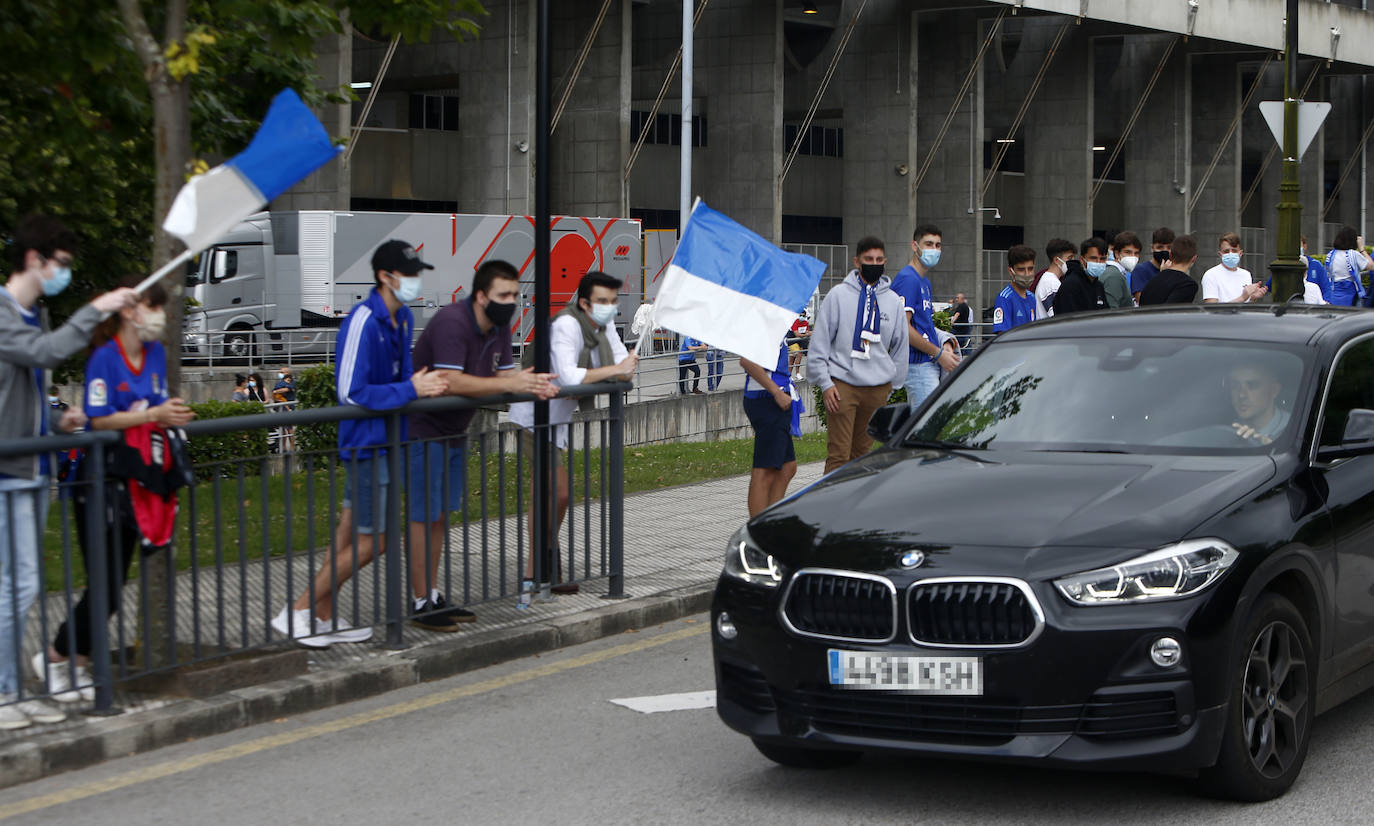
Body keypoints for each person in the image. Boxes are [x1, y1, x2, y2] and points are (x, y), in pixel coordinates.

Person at [272, 239, 447, 647]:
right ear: (385, 277)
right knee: (375, 543)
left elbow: (402, 380)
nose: (415, 281)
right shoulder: (364, 320)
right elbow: (350, 392)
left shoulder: (401, 317)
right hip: (366, 445)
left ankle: (323, 613)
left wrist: (418, 387)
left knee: (350, 535)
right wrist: (412, 388)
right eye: (409, 274)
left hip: (385, 442)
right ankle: (297, 610)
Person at [1, 215, 137, 727]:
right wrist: (94, 310)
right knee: (14, 587)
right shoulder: (6, 314)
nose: (63, 273)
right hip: (8, 470)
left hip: (31, 466)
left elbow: (21, 391)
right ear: (36, 260)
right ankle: (4, 693)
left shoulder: (31, 313)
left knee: (24, 586)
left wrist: (59, 419)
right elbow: (45, 353)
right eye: (61, 264)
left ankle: (13, 689)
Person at [37, 276, 194, 705]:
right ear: (129, 310)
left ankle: (69, 658)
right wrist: (152, 415)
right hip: (100, 480)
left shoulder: (156, 353)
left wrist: (168, 415)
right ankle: (58, 658)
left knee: (114, 583)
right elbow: (98, 419)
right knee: (103, 584)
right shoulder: (104, 358)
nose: (160, 316)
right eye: (154, 306)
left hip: (137, 479)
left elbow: (153, 407)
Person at [511, 270, 634, 603]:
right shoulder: (566, 325)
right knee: (558, 494)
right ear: (584, 303)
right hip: (535, 417)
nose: (609, 308)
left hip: (556, 420)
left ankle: (544, 570)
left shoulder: (602, 328)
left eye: (613, 301)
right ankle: (538, 569)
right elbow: (569, 376)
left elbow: (626, 362)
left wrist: (618, 368)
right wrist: (612, 371)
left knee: (549, 495)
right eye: (602, 301)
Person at [807, 235, 906, 473]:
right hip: (843, 385)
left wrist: (893, 384)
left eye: (879, 259)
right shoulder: (838, 296)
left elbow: (901, 345)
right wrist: (825, 383)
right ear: (857, 262)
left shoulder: (892, 301)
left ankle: (855, 507)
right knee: (838, 455)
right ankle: (832, 506)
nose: (874, 263)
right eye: (868, 259)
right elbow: (820, 341)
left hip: (878, 387)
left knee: (863, 456)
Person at [890, 225, 961, 411]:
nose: (934, 250)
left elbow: (924, 326)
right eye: (928, 244)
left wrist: (944, 343)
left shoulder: (924, 282)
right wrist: (938, 354)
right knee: (925, 429)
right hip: (918, 365)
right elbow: (903, 328)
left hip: (927, 362)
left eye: (938, 245)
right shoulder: (908, 279)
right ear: (915, 246)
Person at [741, 341, 797, 517]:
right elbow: (747, 361)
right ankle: (758, 530)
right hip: (766, 399)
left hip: (774, 396)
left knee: (788, 466)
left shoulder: (775, 319)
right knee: (765, 469)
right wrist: (776, 392)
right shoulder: (764, 318)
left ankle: (771, 520)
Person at [1229, 360, 1290, 446]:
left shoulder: (1295, 431)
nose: (1241, 395)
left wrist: (1272, 448)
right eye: (1235, 386)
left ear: (1274, 390)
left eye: (1252, 386)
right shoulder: (1225, 430)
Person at [1201, 232, 1266, 304]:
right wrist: (1243, 298)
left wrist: (1252, 298)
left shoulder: (1246, 274)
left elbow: (1246, 305)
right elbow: (1212, 309)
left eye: (1234, 251)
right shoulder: (1211, 275)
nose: (1230, 254)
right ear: (1220, 254)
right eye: (1226, 251)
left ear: (1240, 253)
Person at [1138, 234, 1201, 305]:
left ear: (1170, 254)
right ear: (1194, 258)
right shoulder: (1188, 285)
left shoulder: (1154, 280)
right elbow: (1172, 312)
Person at [1053, 237, 1110, 315]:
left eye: (1102, 259)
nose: (1098, 262)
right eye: (1093, 258)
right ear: (1082, 260)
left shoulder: (1098, 286)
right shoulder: (1070, 285)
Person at [992, 245, 1038, 334]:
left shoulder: (1032, 297)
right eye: (1021, 269)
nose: (1027, 274)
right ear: (1011, 271)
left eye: (1030, 269)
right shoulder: (1004, 298)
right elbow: (1002, 336)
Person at [1326, 226, 1373, 307]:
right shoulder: (1353, 254)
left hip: (1334, 294)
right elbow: (1371, 266)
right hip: (1351, 294)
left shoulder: (1330, 255)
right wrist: (1361, 249)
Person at [1130, 227, 1175, 303]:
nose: (1165, 250)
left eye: (1169, 247)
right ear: (1152, 248)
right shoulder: (1141, 270)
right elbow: (1142, 301)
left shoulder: (1176, 271)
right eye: (1160, 247)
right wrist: (1163, 276)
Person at [1034, 238, 1075, 320]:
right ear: (1056, 260)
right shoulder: (1051, 283)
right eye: (1069, 258)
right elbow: (1057, 318)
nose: (1073, 261)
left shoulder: (1051, 280)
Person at [1103, 231, 1140, 308]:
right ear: (1117, 253)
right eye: (1128, 252)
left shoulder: (1119, 273)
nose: (1133, 256)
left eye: (1136, 253)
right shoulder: (1113, 276)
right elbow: (1111, 309)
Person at [786, 312, 811, 382]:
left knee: (792, 359)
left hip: (800, 342)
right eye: (800, 315)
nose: (802, 317)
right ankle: (797, 373)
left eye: (803, 316)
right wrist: (805, 335)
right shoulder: (795, 322)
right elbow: (797, 334)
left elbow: (808, 331)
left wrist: (806, 334)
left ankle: (789, 375)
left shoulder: (805, 322)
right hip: (792, 341)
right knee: (799, 354)